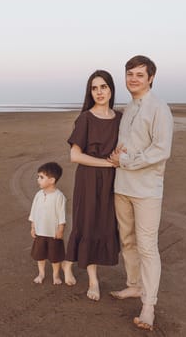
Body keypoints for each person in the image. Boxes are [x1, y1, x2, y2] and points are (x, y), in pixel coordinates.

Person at [108, 55, 173, 331]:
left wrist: (126, 161)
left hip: (147, 190)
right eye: (129, 74)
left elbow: (161, 150)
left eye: (139, 74)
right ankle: (133, 286)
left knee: (147, 246)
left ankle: (148, 305)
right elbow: (124, 146)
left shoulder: (160, 108)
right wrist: (117, 156)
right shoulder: (128, 108)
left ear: (151, 78)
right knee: (128, 240)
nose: (133, 79)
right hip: (121, 186)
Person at [63, 70, 121, 301]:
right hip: (88, 179)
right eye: (94, 88)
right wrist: (107, 163)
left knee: (104, 225)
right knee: (87, 225)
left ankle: (68, 262)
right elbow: (74, 156)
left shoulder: (120, 117)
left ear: (111, 89)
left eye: (103, 87)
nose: (99, 92)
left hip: (112, 181)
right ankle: (93, 281)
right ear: (90, 92)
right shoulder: (86, 118)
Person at [29, 162, 67, 285]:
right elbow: (33, 212)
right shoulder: (38, 195)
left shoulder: (59, 196)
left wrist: (60, 230)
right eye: (38, 177)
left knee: (55, 256)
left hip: (53, 233)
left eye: (41, 177)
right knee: (40, 255)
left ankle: (56, 275)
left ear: (51, 180)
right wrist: (33, 227)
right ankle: (41, 273)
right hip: (40, 232)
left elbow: (62, 215)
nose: (38, 179)